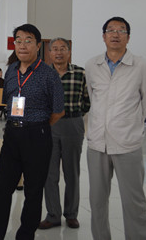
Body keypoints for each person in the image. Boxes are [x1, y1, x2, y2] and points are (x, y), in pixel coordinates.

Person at [0, 24, 65, 240]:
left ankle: (25, 235)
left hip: (37, 136)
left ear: (38, 46)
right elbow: (7, 101)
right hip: (12, 135)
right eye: (18, 41)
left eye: (28, 41)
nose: (22, 45)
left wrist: (38, 126)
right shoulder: (11, 70)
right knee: (2, 188)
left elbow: (58, 110)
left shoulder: (49, 75)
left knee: (33, 191)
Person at [85, 16, 146, 240]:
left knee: (134, 201)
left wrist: (129, 124)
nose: (115, 34)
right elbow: (93, 98)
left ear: (128, 37)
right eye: (111, 30)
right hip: (97, 143)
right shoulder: (92, 65)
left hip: (127, 143)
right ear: (103, 36)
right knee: (97, 201)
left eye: (121, 30)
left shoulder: (141, 66)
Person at [39, 38, 90, 230]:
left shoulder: (80, 73)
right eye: (55, 49)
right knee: (49, 174)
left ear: (69, 52)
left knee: (72, 173)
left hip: (72, 125)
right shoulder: (42, 73)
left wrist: (74, 115)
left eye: (63, 49)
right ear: (49, 53)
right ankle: (53, 215)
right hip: (48, 126)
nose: (59, 52)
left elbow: (87, 101)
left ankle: (71, 214)